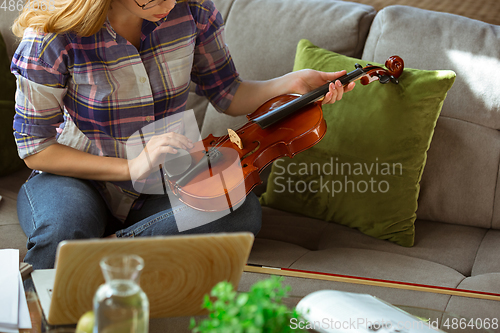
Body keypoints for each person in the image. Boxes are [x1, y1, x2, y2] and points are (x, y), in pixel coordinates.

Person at [11, 0, 355, 269]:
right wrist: (131, 167)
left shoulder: (194, 11)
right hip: (76, 178)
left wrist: (291, 84)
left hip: (165, 182)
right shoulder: (51, 37)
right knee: (62, 232)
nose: (170, 4)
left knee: (242, 210)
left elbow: (228, 93)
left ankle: (95, 257)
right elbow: (35, 147)